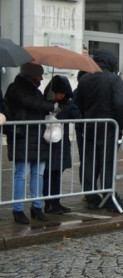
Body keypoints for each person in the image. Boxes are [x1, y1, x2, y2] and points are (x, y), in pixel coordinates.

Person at [74, 49, 123, 212]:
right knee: (107, 163)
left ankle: (91, 197)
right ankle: (108, 196)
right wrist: (120, 124)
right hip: (109, 128)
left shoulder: (84, 79)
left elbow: (78, 103)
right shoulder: (114, 79)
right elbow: (119, 104)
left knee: (90, 162)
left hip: (90, 127)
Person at [5, 63, 56, 224]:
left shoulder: (34, 90)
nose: (41, 78)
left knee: (38, 173)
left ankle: (37, 206)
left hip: (37, 137)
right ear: (30, 76)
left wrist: (49, 99)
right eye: (39, 75)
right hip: (23, 136)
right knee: (21, 174)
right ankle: (18, 209)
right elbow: (31, 103)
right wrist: (51, 105)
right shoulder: (16, 88)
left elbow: (38, 105)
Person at [42, 75, 80, 214]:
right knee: (48, 173)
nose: (61, 96)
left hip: (61, 143)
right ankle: (49, 202)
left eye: (63, 93)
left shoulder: (68, 104)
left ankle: (56, 202)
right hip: (47, 143)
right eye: (59, 93)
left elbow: (77, 115)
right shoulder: (44, 102)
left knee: (57, 173)